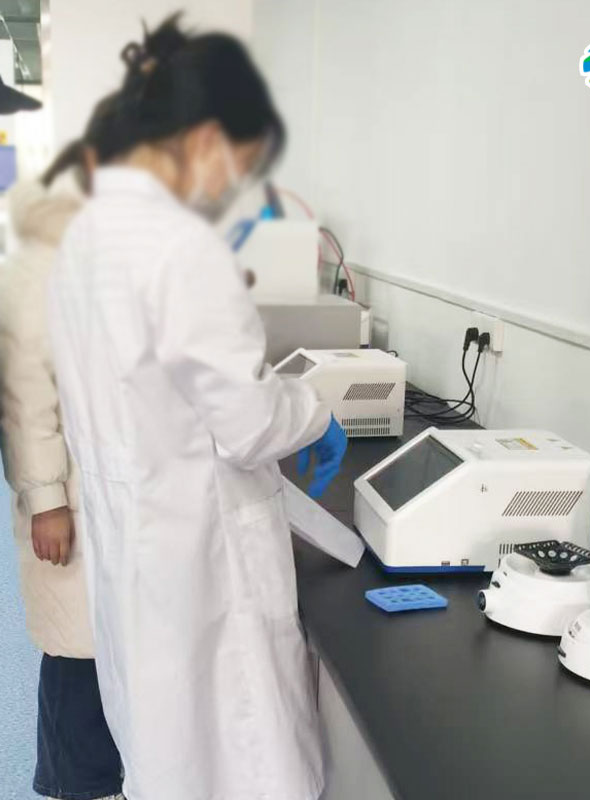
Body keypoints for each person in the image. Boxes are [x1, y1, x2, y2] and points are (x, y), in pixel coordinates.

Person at [48, 16, 347, 800]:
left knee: (167, 751)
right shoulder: (181, 246)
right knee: (242, 756)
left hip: (137, 544)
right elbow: (249, 423)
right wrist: (315, 413)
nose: (227, 188)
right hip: (202, 555)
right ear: (209, 137)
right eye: (238, 167)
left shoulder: (85, 238)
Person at [0, 127, 124, 798]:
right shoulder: (39, 263)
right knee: (77, 648)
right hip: (68, 498)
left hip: (109, 487)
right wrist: (47, 499)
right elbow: (25, 395)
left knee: (106, 646)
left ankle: (102, 775)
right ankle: (73, 783)